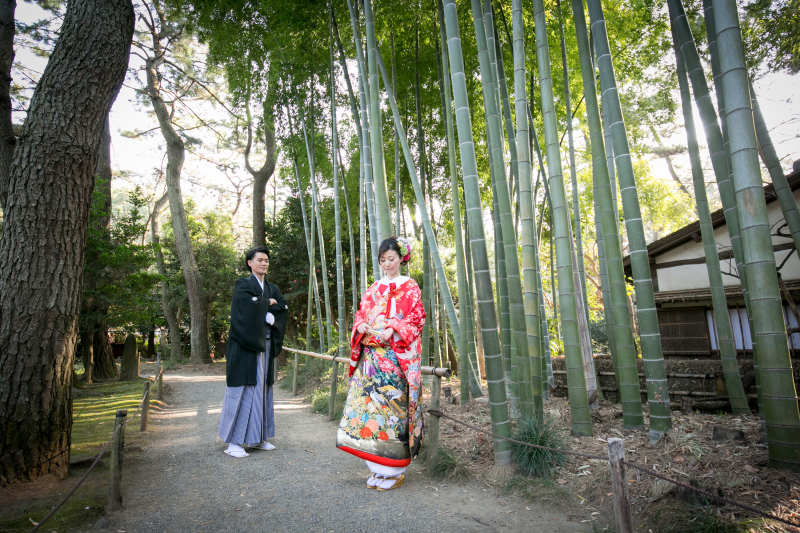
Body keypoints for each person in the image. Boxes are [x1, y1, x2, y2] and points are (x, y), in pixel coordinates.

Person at [336, 236, 426, 491]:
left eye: (392, 259)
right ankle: (377, 468)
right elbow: (361, 314)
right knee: (371, 410)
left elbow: (417, 318)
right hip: (372, 360)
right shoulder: (374, 288)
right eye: (383, 260)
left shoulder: (410, 286)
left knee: (392, 410)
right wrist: (360, 325)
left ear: (401, 259)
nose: (387, 264)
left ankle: (395, 470)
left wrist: (393, 328)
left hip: (395, 360)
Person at [218, 246, 288, 458]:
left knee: (262, 391)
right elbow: (245, 309)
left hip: (265, 345)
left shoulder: (272, 287)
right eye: (259, 260)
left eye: (266, 260)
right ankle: (234, 442)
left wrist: (266, 309)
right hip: (245, 346)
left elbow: (282, 307)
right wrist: (267, 304)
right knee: (243, 390)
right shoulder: (243, 285)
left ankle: (258, 438)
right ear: (250, 263)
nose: (264, 263)